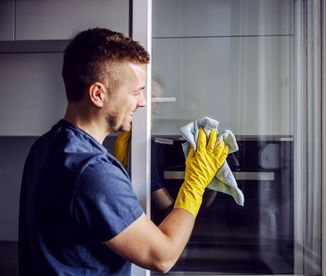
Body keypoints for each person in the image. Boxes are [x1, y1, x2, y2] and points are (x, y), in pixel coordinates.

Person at [18, 28, 228, 275]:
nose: (143, 102)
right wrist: (194, 183)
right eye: (137, 91)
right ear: (98, 94)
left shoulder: (45, 146)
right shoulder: (93, 170)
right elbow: (162, 257)